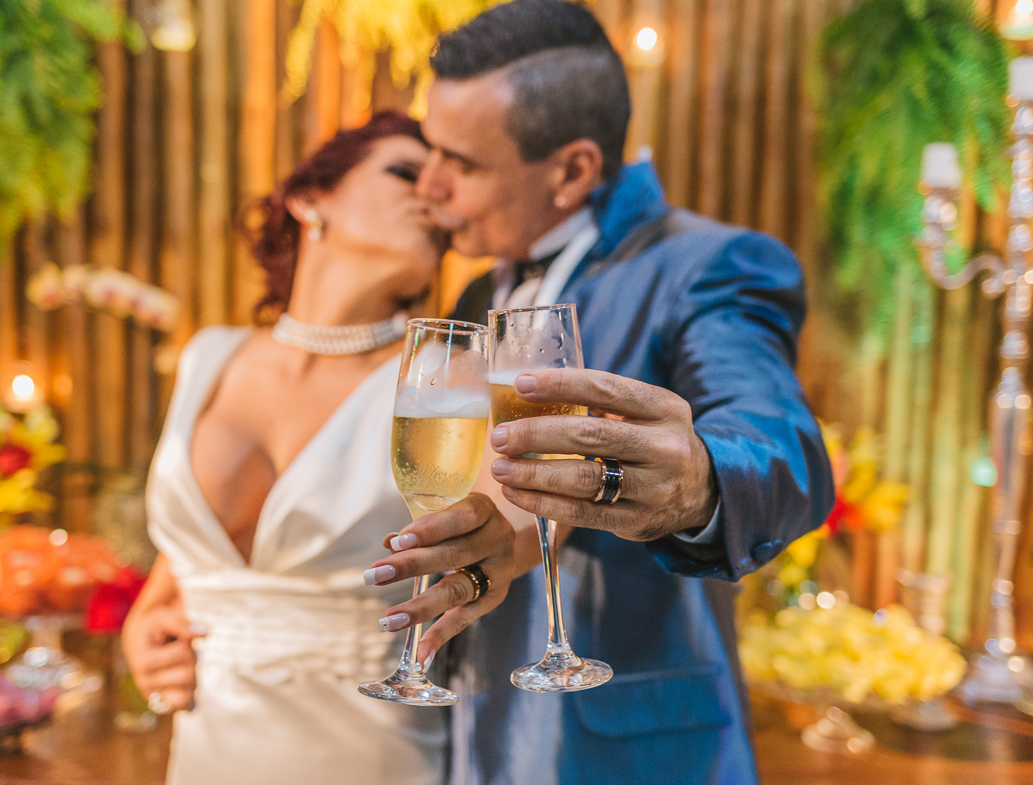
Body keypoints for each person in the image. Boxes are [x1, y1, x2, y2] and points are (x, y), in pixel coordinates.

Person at [361, 2, 835, 784]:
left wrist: (698, 481)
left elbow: (784, 444)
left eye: (462, 163)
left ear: (573, 170)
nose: (430, 185)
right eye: (429, 149)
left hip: (635, 755)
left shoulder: (707, 264)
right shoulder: (479, 288)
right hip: (477, 741)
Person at [122, 112, 515, 785]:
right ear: (310, 199)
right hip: (203, 749)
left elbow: (513, 528)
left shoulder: (445, 381)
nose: (430, 192)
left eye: (443, 182)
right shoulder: (207, 358)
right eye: (405, 171)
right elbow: (187, 562)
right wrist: (142, 624)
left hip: (370, 752)